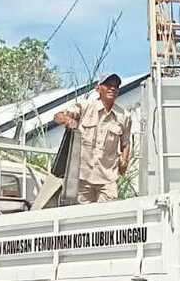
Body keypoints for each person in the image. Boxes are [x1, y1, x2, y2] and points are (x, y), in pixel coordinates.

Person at [53, 73, 133, 203]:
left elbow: (126, 141)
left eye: (116, 86)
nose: (112, 88)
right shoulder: (85, 107)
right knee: (84, 218)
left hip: (108, 178)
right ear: (98, 88)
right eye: (108, 85)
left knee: (109, 215)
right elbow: (57, 116)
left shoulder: (124, 116)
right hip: (84, 177)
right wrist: (68, 121)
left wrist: (124, 160)